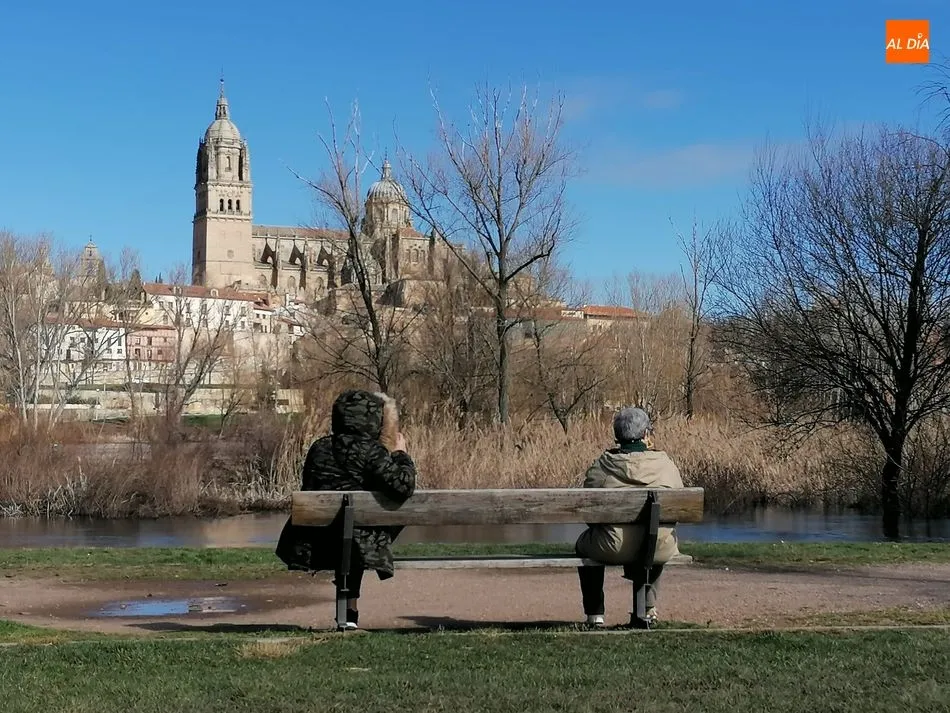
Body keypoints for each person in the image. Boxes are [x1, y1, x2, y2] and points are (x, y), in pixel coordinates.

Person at [275, 389, 416, 630]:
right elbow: (404, 485)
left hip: (316, 539)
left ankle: (348, 613)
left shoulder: (318, 449)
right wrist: (400, 454)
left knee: (351, 530)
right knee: (361, 530)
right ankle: (350, 612)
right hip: (359, 543)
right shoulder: (371, 452)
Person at [574, 406, 684, 628]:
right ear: (646, 435)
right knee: (655, 537)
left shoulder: (602, 467)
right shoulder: (666, 465)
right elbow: (678, 508)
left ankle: (595, 614)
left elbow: (589, 512)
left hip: (612, 546)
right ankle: (646, 610)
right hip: (658, 546)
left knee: (582, 544)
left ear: (617, 436)